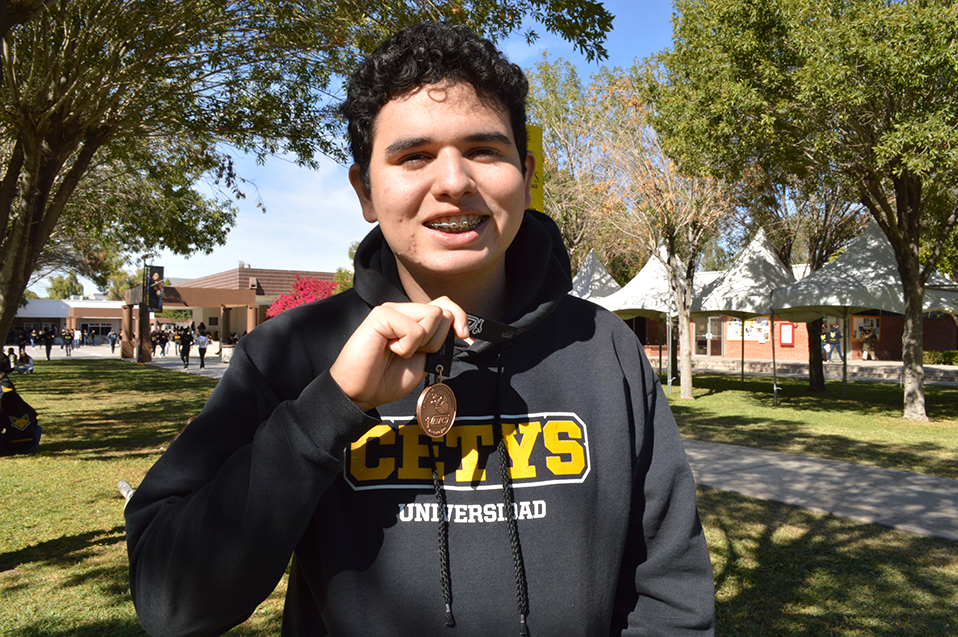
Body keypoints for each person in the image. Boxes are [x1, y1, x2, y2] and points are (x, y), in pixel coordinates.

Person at [125, 23, 714, 637]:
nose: (455, 181)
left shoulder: (604, 346)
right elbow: (172, 603)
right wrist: (328, 408)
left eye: (485, 150)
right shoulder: (288, 353)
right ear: (365, 191)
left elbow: (672, 592)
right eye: (414, 156)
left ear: (526, 172)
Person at [0, 373, 41, 455]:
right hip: (31, 447)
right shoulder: (28, 410)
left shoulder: (4, 413)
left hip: (8, 448)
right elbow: (34, 426)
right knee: (39, 428)